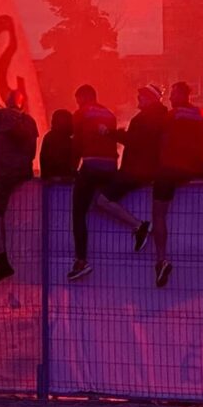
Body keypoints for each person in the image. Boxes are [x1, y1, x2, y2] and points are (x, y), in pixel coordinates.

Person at [152, 82, 203, 288]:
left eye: (172, 94)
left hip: (169, 169)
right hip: (193, 169)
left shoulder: (171, 115)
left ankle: (161, 259)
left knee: (159, 213)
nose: (170, 98)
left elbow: (159, 137)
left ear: (180, 95)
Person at [68, 85, 128, 282]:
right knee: (104, 200)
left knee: (78, 212)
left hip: (91, 165)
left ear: (84, 98)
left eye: (78, 99)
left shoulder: (81, 113)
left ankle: (81, 260)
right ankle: (136, 225)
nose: (77, 103)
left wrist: (72, 169)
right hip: (111, 166)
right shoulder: (109, 114)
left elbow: (77, 144)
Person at [93, 86, 161, 252]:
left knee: (101, 200)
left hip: (135, 171)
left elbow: (133, 141)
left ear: (151, 99)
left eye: (142, 96)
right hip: (150, 170)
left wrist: (108, 132)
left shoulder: (142, 119)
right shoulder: (162, 117)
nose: (138, 98)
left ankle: (139, 225)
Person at [0, 89, 38, 284]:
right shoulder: (30, 121)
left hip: (2, 173)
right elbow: (33, 149)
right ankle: (3, 261)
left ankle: (2, 259)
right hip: (22, 172)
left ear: (7, 101)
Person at [38, 110, 77, 180]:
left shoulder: (49, 137)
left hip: (51, 180)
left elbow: (44, 160)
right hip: (63, 179)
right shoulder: (69, 141)